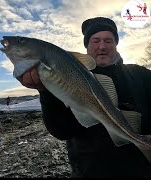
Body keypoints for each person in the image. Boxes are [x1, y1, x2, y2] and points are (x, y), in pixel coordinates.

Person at [18, 17, 151, 177]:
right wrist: (46, 91)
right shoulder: (65, 76)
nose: (102, 46)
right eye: (95, 40)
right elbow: (61, 131)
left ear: (116, 44)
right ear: (87, 46)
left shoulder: (141, 74)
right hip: (89, 172)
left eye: (108, 40)